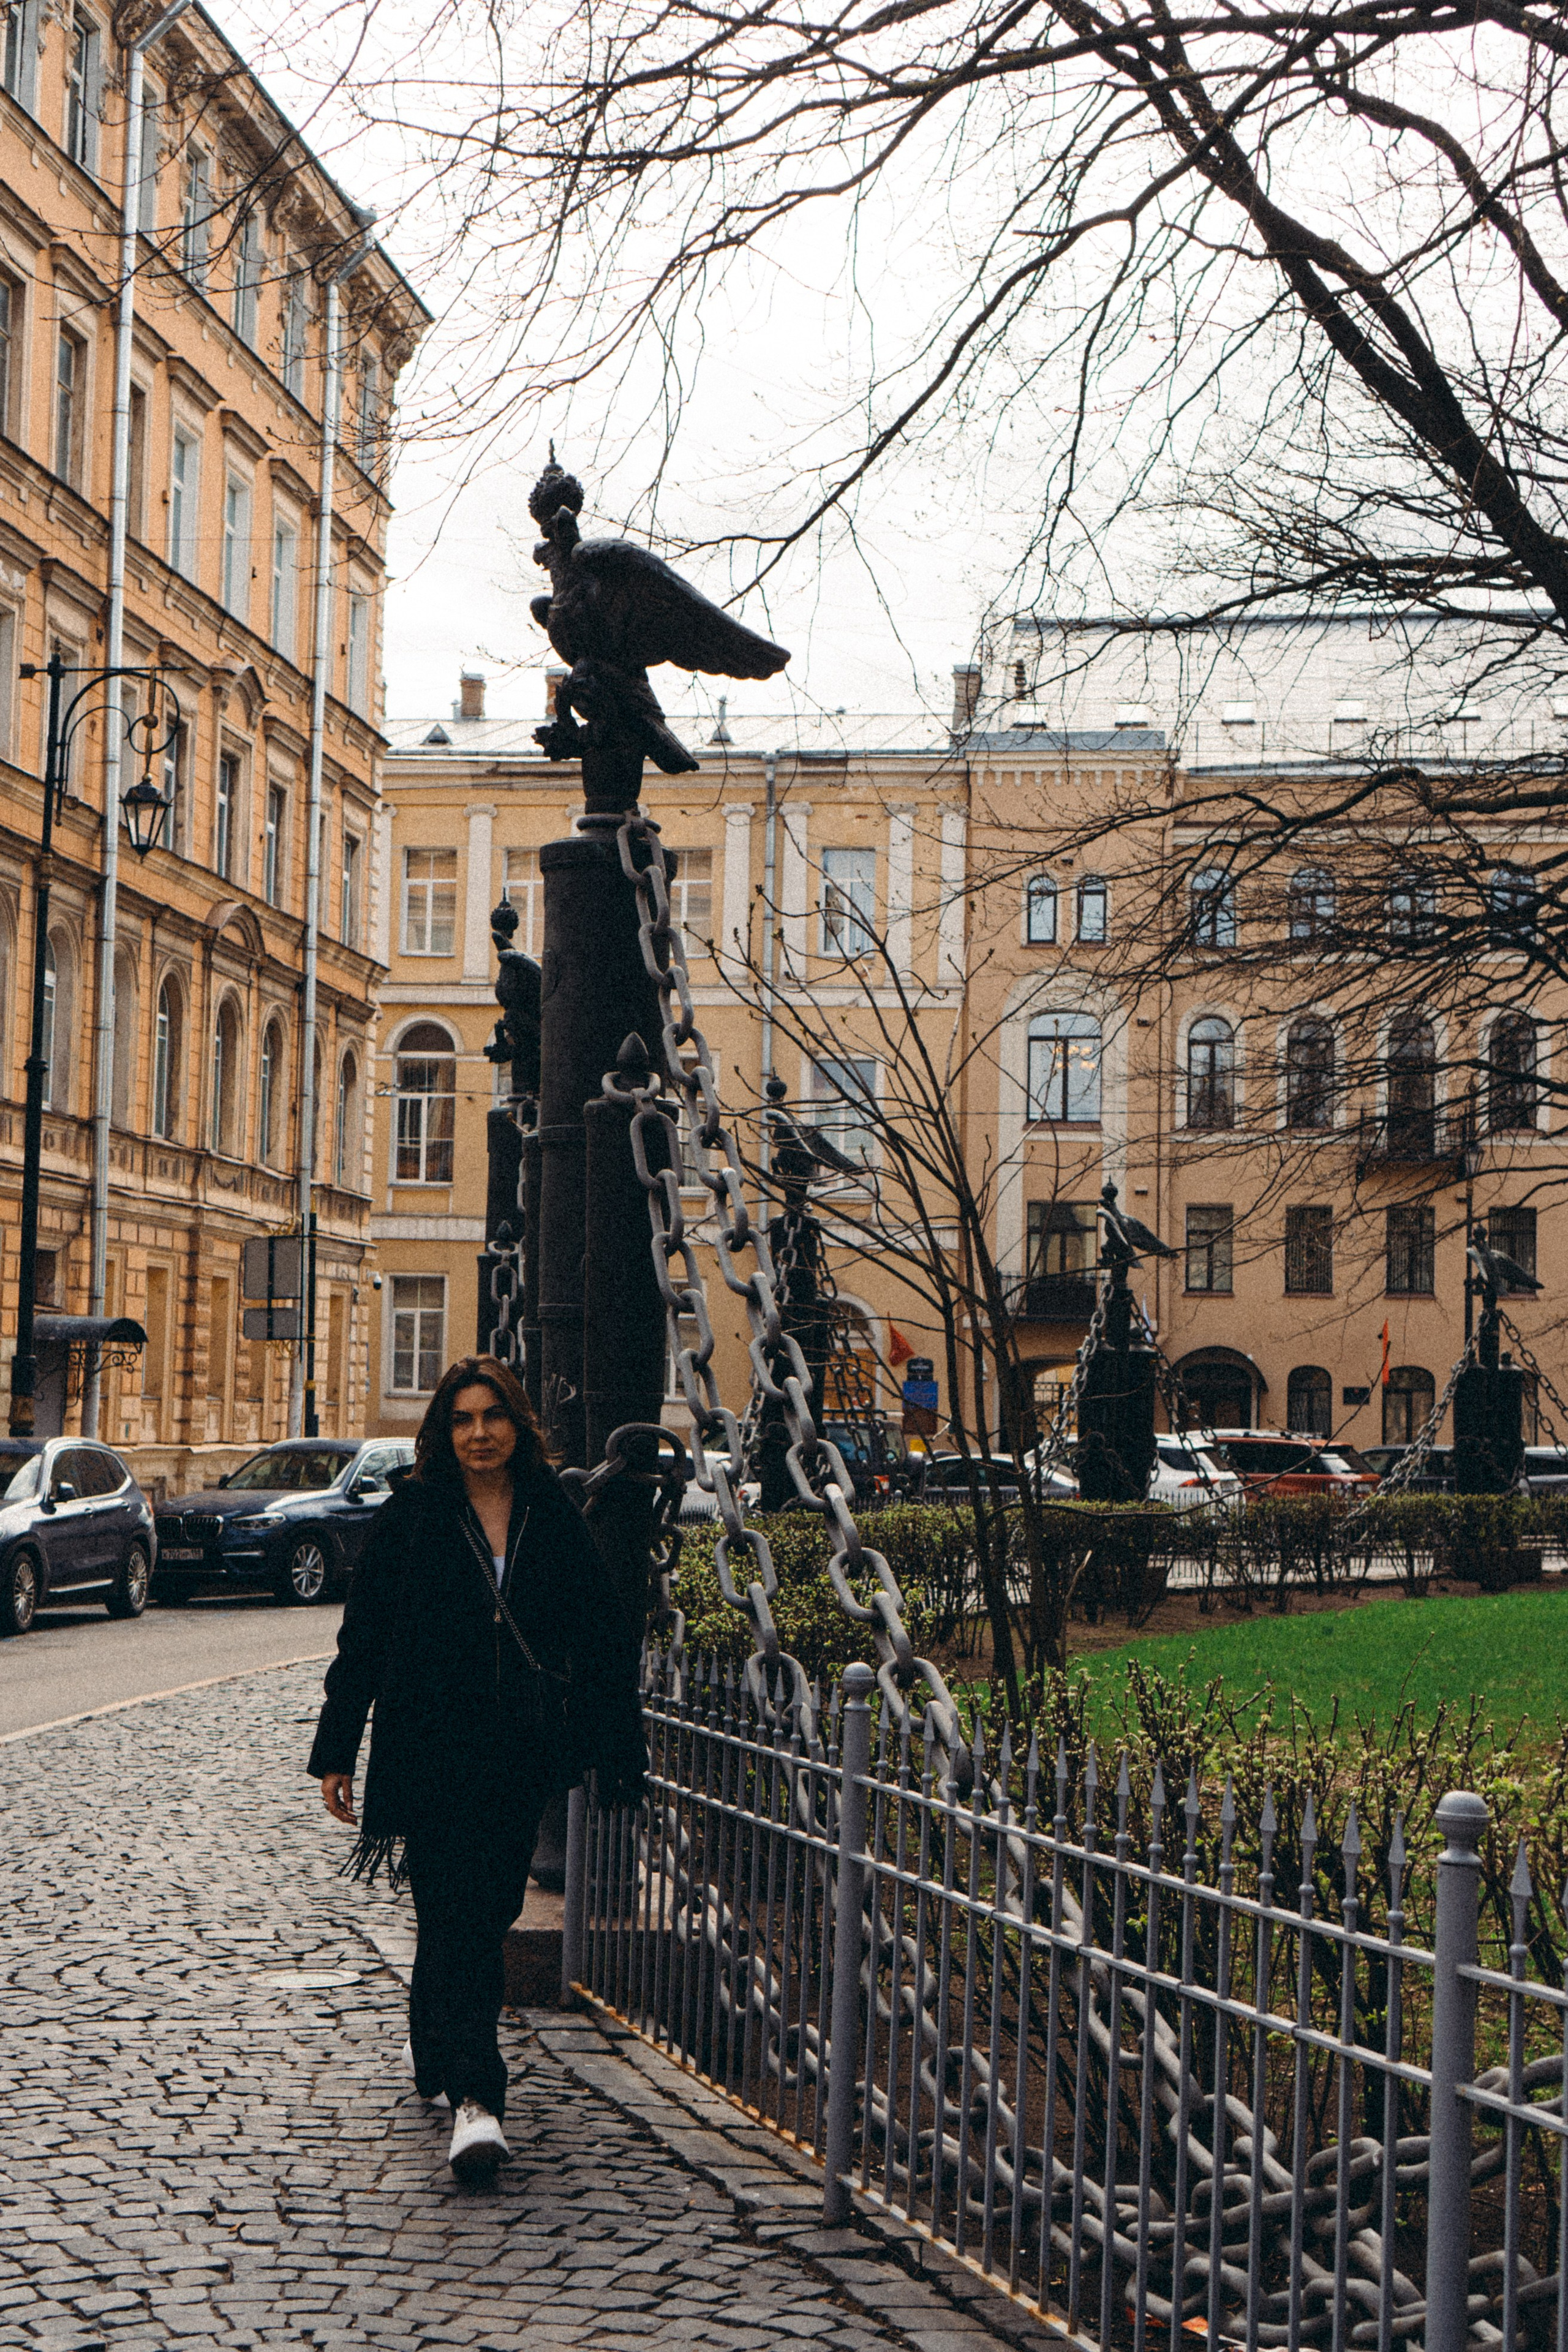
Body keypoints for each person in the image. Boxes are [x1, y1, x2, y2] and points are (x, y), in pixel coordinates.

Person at [307, 1355, 647, 2185]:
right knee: (451, 1912)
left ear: (517, 1425)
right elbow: (366, 1638)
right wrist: (335, 1746)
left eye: (492, 1416)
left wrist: (619, 1747)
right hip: (428, 1748)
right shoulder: (416, 1515)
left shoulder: (549, 1513)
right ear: (442, 1432)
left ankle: (438, 2044)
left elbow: (602, 1635)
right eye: (462, 1420)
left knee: (479, 1915)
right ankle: (476, 2099)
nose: (480, 1433)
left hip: (515, 1753)